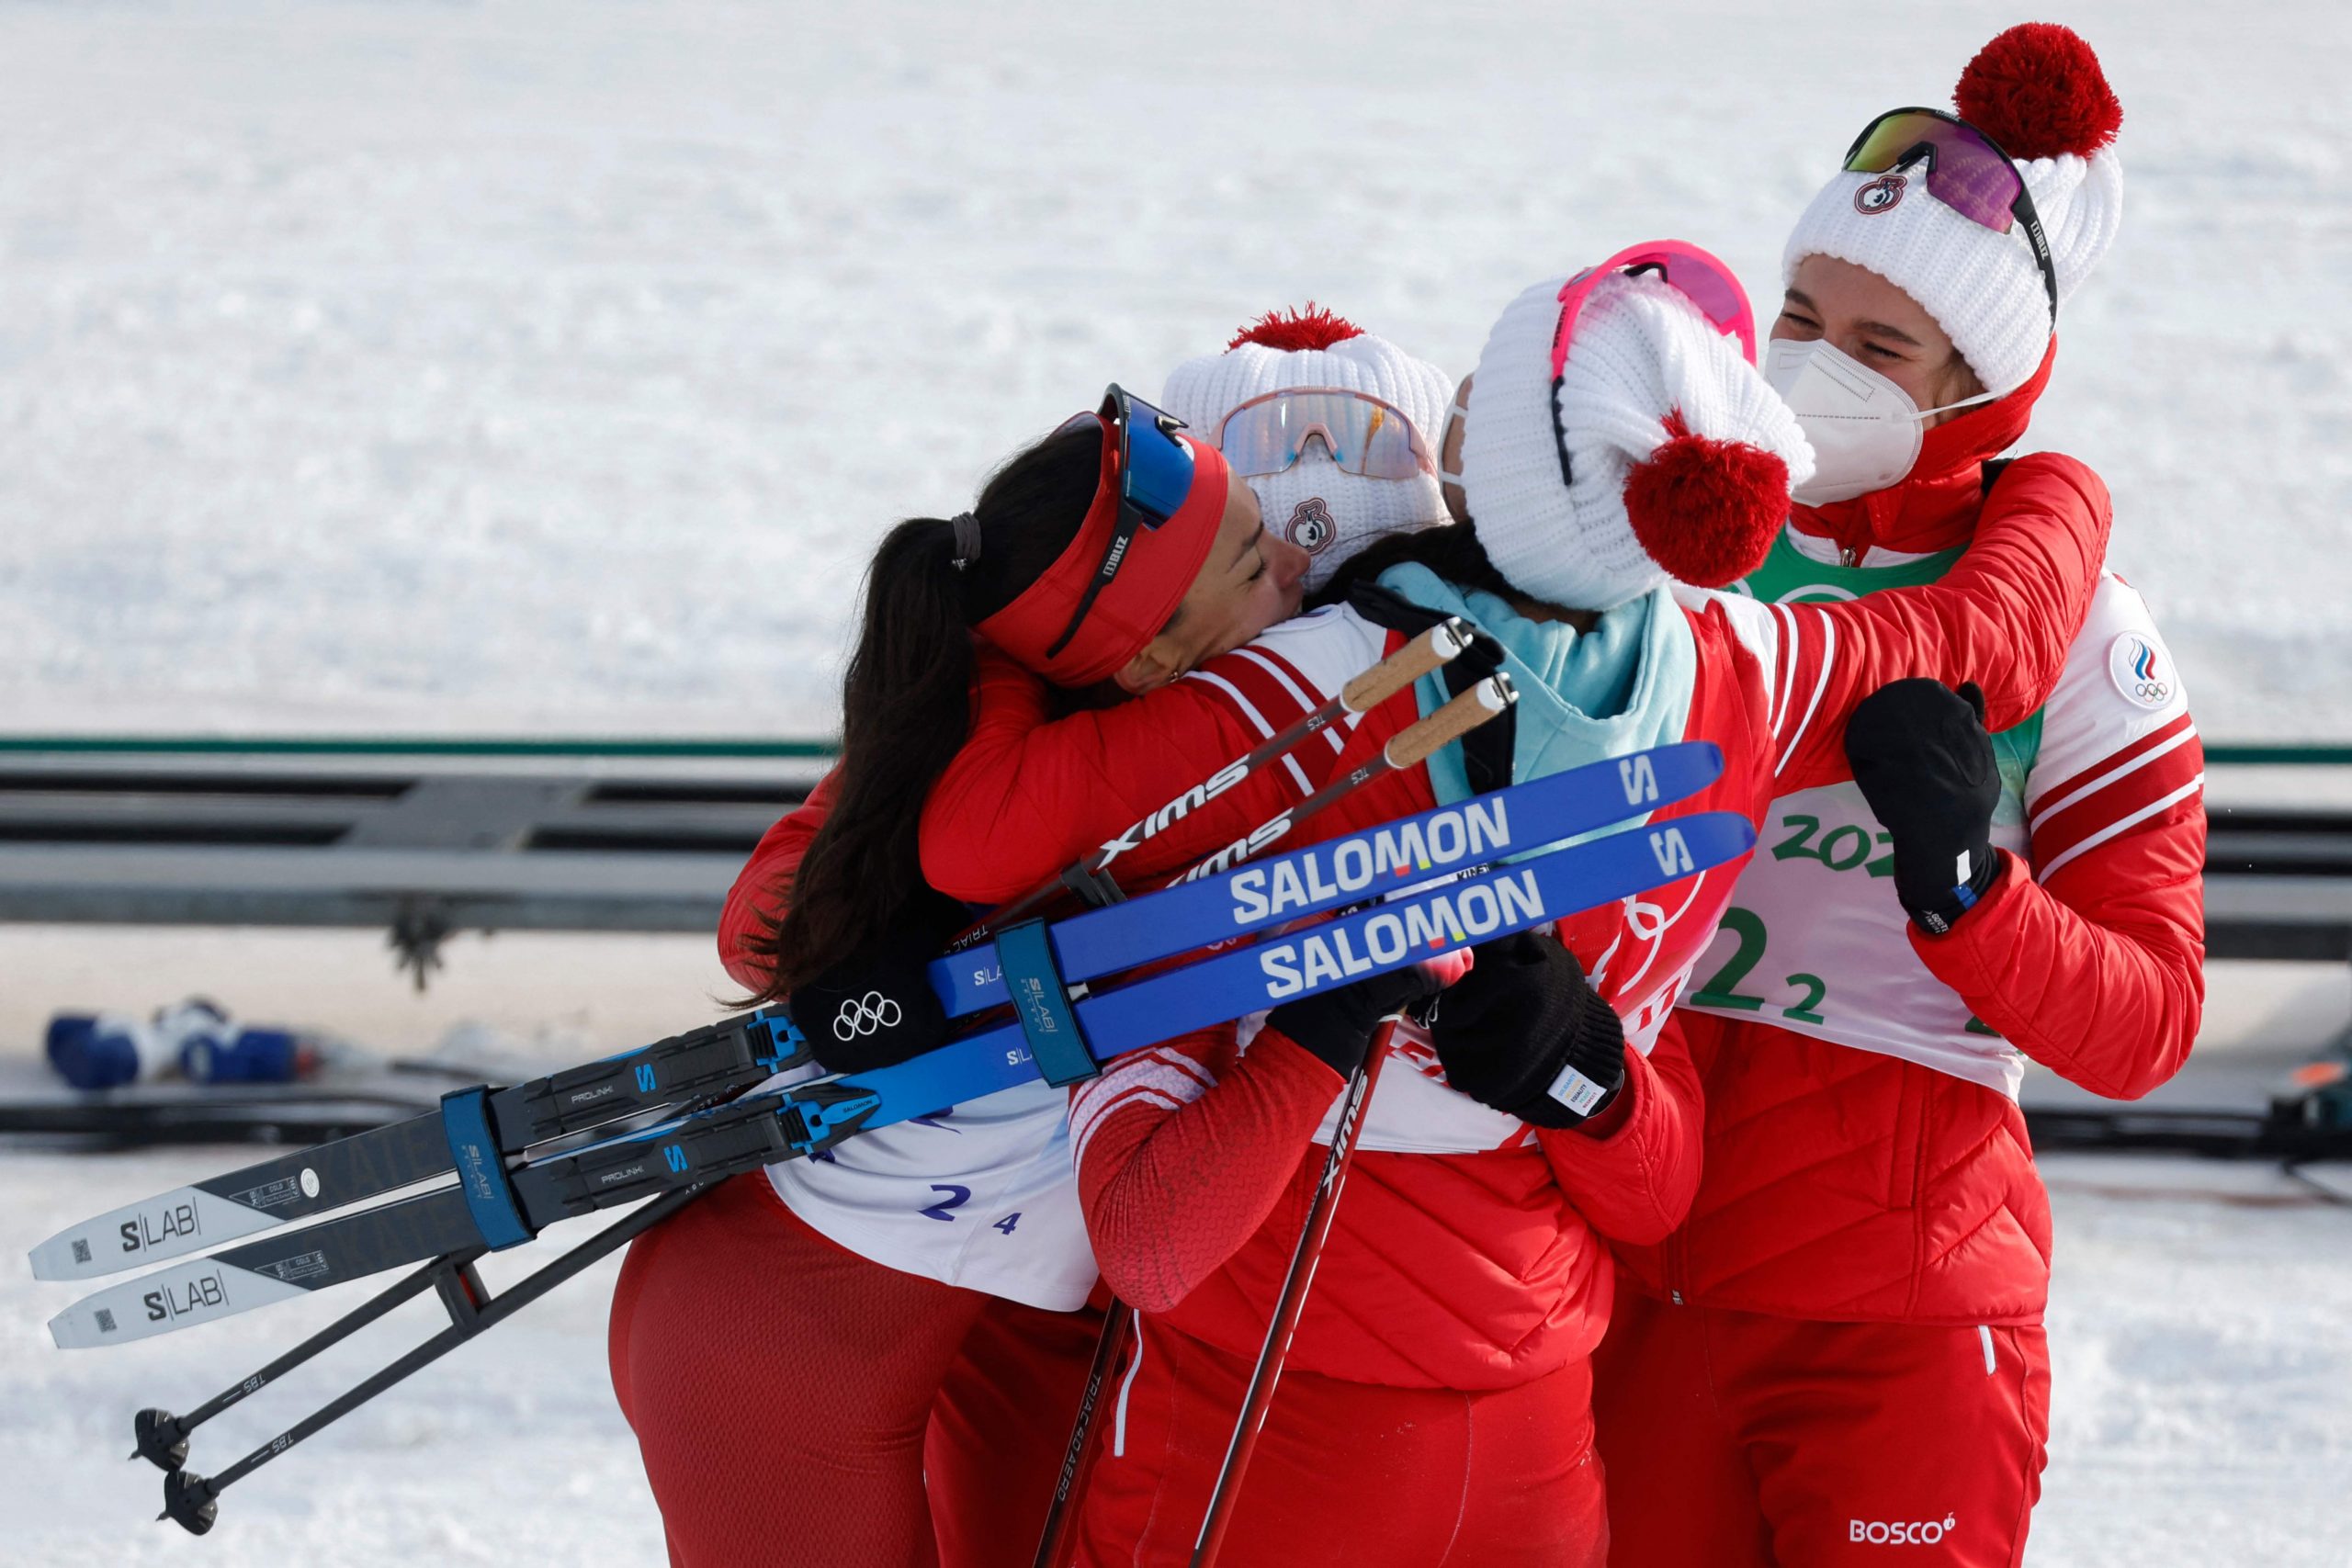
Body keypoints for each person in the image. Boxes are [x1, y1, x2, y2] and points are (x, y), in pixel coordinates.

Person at [912, 247, 2112, 1564]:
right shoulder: (1748, 663)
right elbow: (1984, 641)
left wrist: (985, 623)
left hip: (1267, 1407)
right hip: (1531, 1420)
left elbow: (980, 842)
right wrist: (2057, 484)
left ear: (1508, 470)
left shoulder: (1314, 677)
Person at [616, 313, 1461, 1568]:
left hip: (883, 1312)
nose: (1292, 561)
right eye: (1252, 558)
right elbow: (778, 919)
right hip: (779, 1349)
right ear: (1160, 658)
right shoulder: (1066, 762)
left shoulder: (1067, 732)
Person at [1590, 26, 2206, 1568]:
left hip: (1902, 1321)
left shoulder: (2078, 628)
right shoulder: (1675, 572)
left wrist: (1969, 893)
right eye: (1798, 316)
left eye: (1879, 348)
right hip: (1623, 1277)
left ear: (1977, 394)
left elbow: (2145, 1023)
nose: (1808, 367)